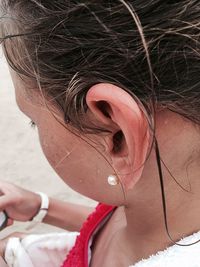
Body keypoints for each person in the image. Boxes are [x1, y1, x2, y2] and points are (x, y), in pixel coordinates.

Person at [0, 0, 200, 266]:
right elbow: (119, 233)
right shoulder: (158, 192)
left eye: (34, 121)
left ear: (118, 138)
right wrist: (42, 207)